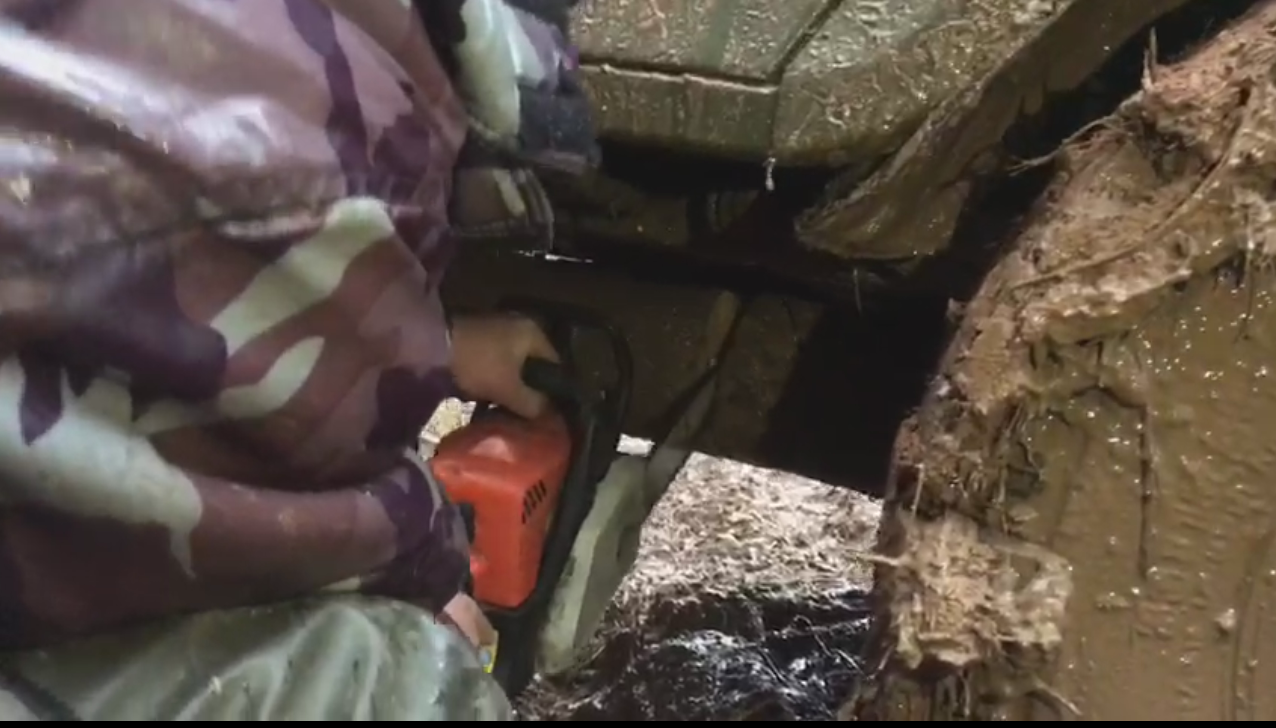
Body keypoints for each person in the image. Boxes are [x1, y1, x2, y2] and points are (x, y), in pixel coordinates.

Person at [0, 0, 596, 720]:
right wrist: (429, 577)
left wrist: (438, 346)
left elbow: (116, 307)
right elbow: (243, 520)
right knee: (405, 681)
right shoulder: (332, 112)